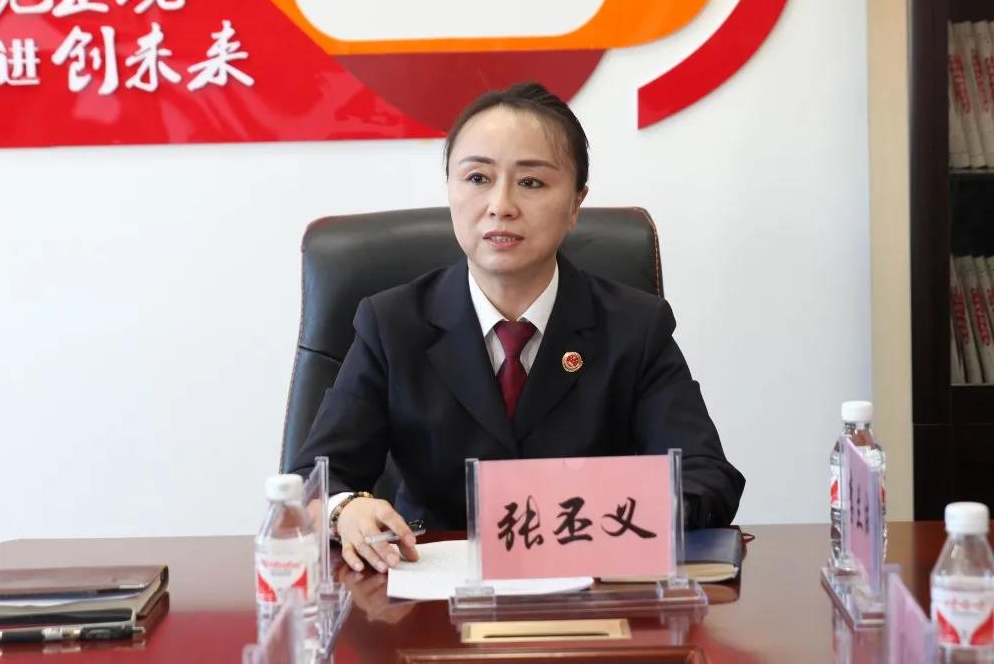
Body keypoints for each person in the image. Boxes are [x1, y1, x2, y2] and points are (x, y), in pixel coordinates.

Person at [290, 82, 745, 574]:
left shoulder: (634, 326)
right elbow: (314, 482)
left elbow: (706, 477)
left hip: (589, 588)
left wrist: (609, 520)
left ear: (575, 205)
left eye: (531, 182)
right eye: (477, 177)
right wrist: (344, 510)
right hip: (430, 593)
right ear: (450, 189)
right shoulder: (393, 323)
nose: (501, 204)